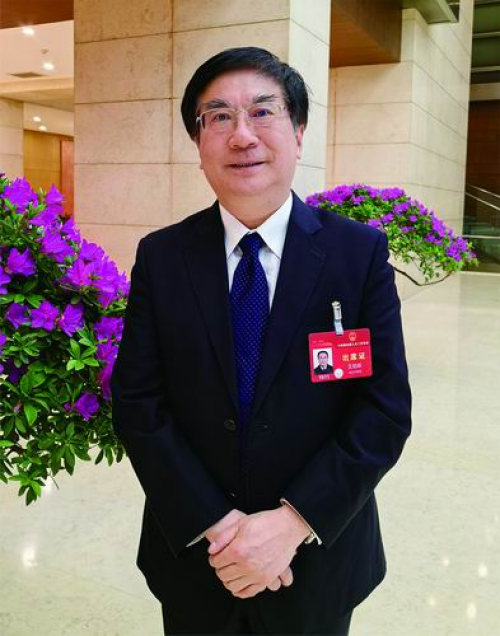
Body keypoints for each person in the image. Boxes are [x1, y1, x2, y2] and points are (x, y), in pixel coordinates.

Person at [111, 46, 412, 636]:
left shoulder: (357, 254)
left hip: (318, 557)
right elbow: (139, 403)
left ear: (298, 133)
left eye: (263, 112)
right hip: (198, 555)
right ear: (198, 143)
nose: (242, 135)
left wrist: (292, 523)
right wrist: (220, 527)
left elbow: (383, 409)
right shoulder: (163, 257)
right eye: (219, 116)